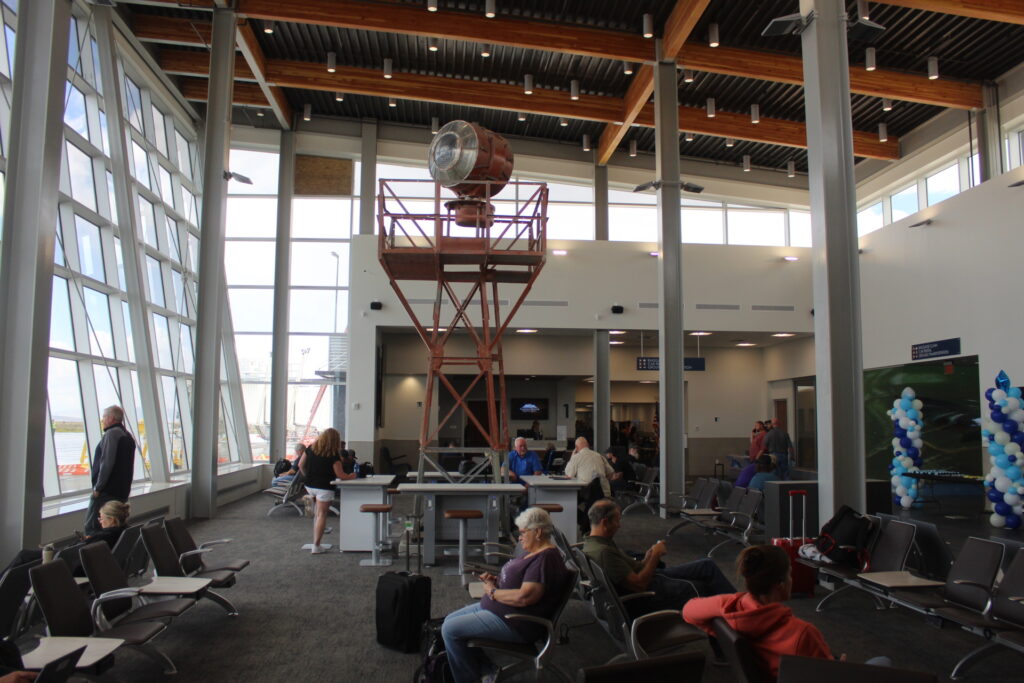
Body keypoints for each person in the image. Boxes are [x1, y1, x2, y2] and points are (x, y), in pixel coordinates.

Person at [683, 545, 890, 680]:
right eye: (789, 574)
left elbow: (689, 610)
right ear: (781, 584)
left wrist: (729, 604)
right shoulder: (801, 633)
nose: (792, 580)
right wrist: (841, 668)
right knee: (883, 663)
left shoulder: (733, 609)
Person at [441, 507, 571, 683]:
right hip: (502, 610)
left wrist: (493, 592)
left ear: (538, 532)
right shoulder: (535, 552)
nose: (519, 537)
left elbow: (525, 597)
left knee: (450, 630)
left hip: (516, 622)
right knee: (448, 621)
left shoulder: (545, 559)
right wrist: (497, 580)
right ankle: (486, 670)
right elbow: (521, 581)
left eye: (523, 532)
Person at [583, 500, 735, 611]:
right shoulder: (604, 552)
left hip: (649, 579)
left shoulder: (592, 543)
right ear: (605, 523)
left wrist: (648, 557)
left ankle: (740, 606)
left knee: (706, 566)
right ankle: (738, 612)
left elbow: (632, 570)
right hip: (649, 593)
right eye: (617, 521)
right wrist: (655, 556)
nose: (619, 525)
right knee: (702, 586)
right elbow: (639, 585)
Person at [3, 500, 131, 574]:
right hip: (85, 564)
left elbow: (70, 552)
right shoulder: (123, 531)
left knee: (24, 555)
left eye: (101, 518)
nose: (100, 521)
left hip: (71, 565)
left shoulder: (104, 536)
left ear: (112, 520)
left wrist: (49, 550)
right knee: (29, 557)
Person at [298, 428, 353, 554]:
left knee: (317, 514)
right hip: (324, 487)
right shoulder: (333, 455)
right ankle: (316, 545)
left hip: (309, 486)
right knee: (321, 515)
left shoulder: (310, 449)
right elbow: (341, 475)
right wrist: (352, 476)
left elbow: (301, 465)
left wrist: (307, 476)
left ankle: (315, 541)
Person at [84, 405, 136, 536]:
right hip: (121, 491)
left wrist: (98, 488)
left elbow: (107, 462)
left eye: (104, 417)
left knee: (93, 528)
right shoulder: (128, 436)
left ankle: (94, 549)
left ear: (112, 418)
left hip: (107, 492)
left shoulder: (112, 434)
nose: (102, 420)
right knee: (115, 528)